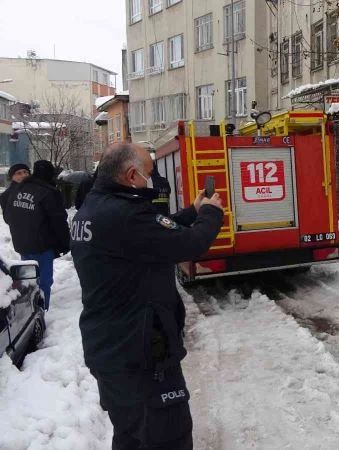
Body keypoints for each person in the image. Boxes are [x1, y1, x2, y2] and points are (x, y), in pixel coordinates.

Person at [71, 142, 223, 450]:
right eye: (148, 174)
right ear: (130, 175)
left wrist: (192, 211)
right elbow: (190, 244)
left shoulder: (95, 208)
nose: (151, 180)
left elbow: (156, 232)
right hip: (141, 357)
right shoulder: (125, 215)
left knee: (131, 435)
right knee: (168, 437)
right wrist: (210, 214)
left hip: (114, 351)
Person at [4, 160, 70, 310]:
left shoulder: (18, 189)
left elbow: (8, 216)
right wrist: (66, 242)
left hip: (22, 243)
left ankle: (29, 307)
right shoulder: (48, 192)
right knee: (44, 280)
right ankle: (40, 311)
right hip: (42, 244)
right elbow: (59, 221)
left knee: (29, 277)